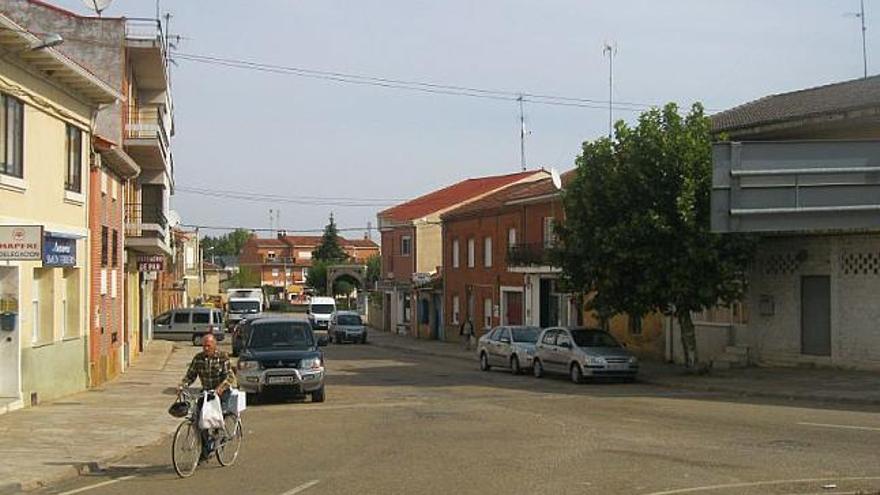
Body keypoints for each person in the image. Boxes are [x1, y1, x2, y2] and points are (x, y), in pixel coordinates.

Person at [178, 334, 235, 460]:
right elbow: (190, 375)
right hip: (206, 392)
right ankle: (205, 449)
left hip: (221, 391)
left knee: (215, 416)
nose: (205, 348)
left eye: (208, 346)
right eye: (204, 345)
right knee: (199, 419)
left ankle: (219, 433)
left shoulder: (223, 357)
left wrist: (220, 388)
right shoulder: (198, 358)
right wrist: (183, 385)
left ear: (214, 345)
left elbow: (229, 377)